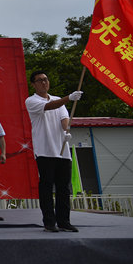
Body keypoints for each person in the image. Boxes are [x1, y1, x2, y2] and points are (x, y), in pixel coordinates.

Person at [26, 71, 82, 232]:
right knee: (47, 186)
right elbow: (49, 107)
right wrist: (69, 98)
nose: (44, 83)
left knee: (63, 188)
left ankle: (64, 220)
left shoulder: (58, 100)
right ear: (34, 84)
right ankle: (49, 221)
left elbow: (63, 118)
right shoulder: (31, 101)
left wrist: (67, 130)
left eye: (45, 79)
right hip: (45, 150)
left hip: (62, 150)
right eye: (40, 80)